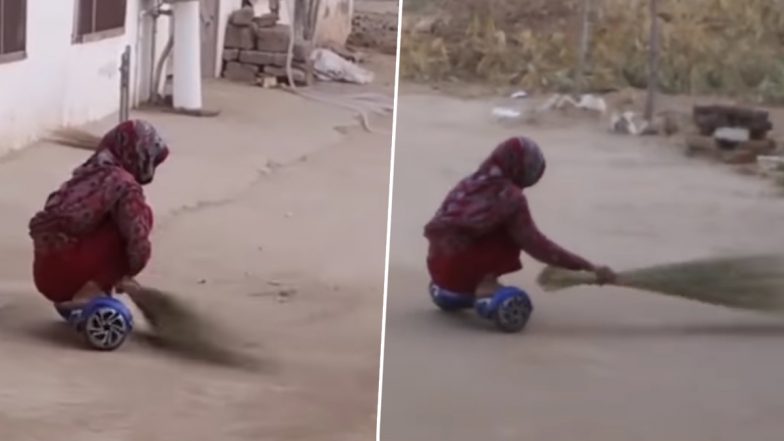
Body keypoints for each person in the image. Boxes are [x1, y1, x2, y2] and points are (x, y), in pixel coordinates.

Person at [424, 136, 615, 299]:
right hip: (462, 271)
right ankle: (484, 283)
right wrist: (586, 266)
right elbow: (537, 246)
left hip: (438, 267)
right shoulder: (510, 198)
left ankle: (454, 284)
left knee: (484, 229)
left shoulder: (470, 183)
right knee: (511, 234)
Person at [29, 120, 169, 313]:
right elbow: (139, 244)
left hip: (45, 274)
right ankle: (88, 293)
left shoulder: (91, 170)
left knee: (111, 220)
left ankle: (87, 288)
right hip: (70, 275)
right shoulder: (124, 186)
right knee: (141, 217)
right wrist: (126, 274)